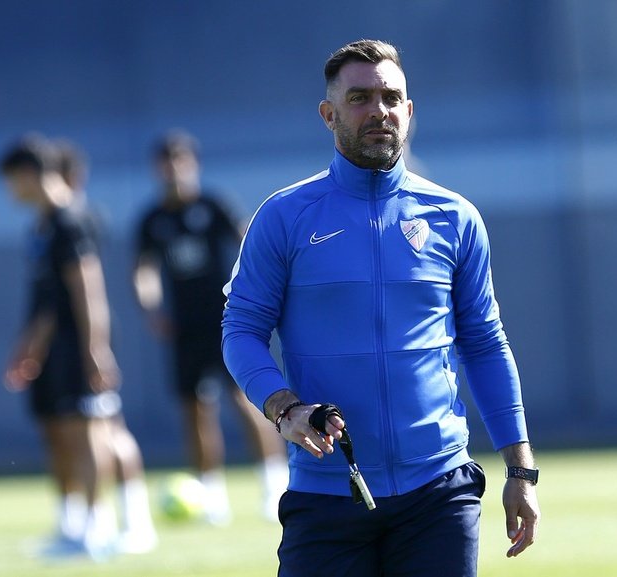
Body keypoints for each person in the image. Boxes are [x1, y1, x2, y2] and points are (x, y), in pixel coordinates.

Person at [221, 39, 541, 576]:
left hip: (438, 493)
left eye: (391, 98)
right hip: (327, 491)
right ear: (329, 114)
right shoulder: (283, 217)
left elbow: (485, 345)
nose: (379, 111)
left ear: (409, 111)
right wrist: (285, 408)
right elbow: (241, 329)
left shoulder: (455, 217)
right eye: (360, 98)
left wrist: (521, 473)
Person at [0, 135, 156, 559]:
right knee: (64, 433)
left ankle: (108, 525)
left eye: (12, 181)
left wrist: (95, 349)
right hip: (56, 350)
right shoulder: (43, 225)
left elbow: (88, 289)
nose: (10, 191)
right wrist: (29, 347)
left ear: (29, 175)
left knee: (96, 433)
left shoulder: (70, 221)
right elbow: (48, 299)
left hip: (79, 344)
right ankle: (79, 524)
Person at [133, 131, 288, 524]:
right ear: (157, 168)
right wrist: (152, 308)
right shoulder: (153, 219)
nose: (173, 169)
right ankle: (210, 497)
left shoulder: (213, 205)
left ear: (192, 164)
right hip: (184, 328)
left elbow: (248, 242)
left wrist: (255, 290)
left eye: (180, 160)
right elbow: (144, 271)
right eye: (166, 161)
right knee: (195, 409)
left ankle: (274, 485)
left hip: (226, 322)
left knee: (246, 401)